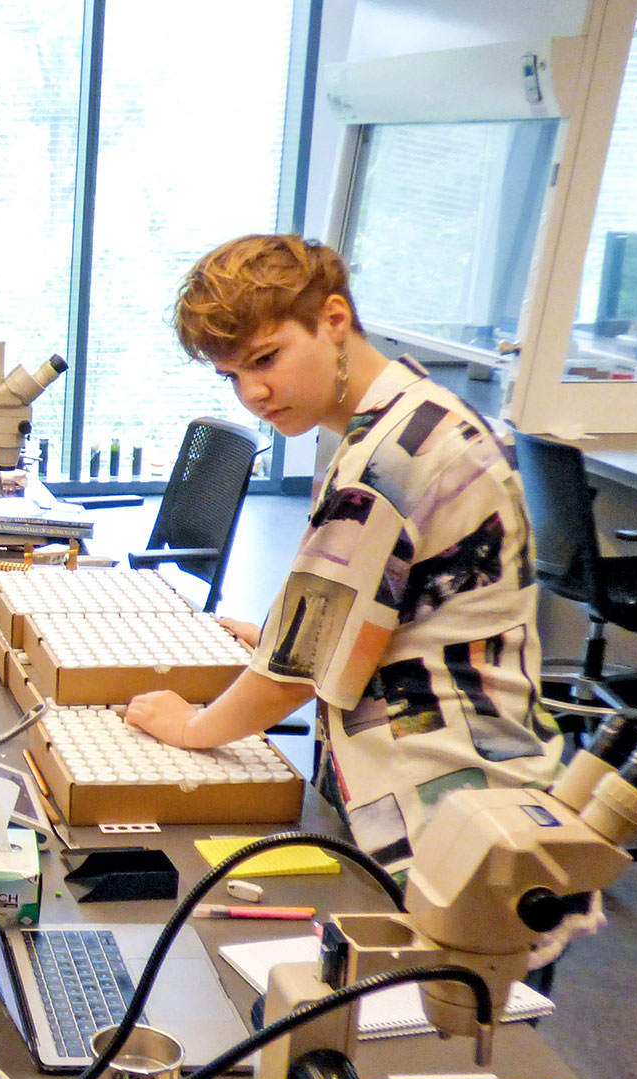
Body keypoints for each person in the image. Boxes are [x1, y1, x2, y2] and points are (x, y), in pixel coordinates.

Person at [125, 234, 563, 882]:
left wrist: (189, 726)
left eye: (265, 359)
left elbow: (292, 676)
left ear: (332, 319)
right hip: (477, 789)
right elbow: (393, 611)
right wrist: (281, 638)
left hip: (444, 819)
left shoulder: (386, 461)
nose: (251, 393)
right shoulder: (417, 413)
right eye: (232, 376)